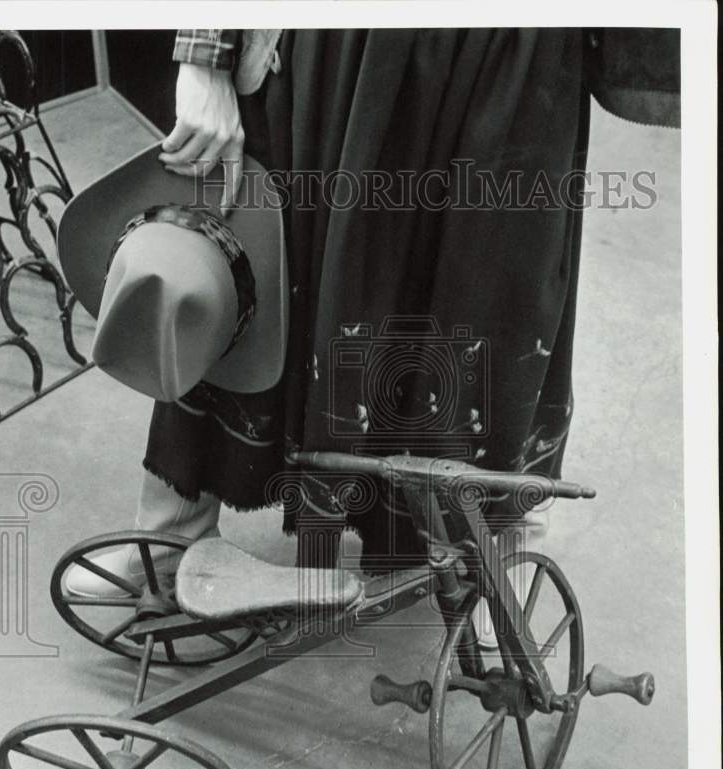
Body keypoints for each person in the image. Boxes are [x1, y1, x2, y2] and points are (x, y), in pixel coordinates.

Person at [72, 27, 679, 596]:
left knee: (485, 303)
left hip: (511, 52)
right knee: (253, 272)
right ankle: (169, 531)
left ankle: (486, 566)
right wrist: (203, 51)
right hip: (338, 47)